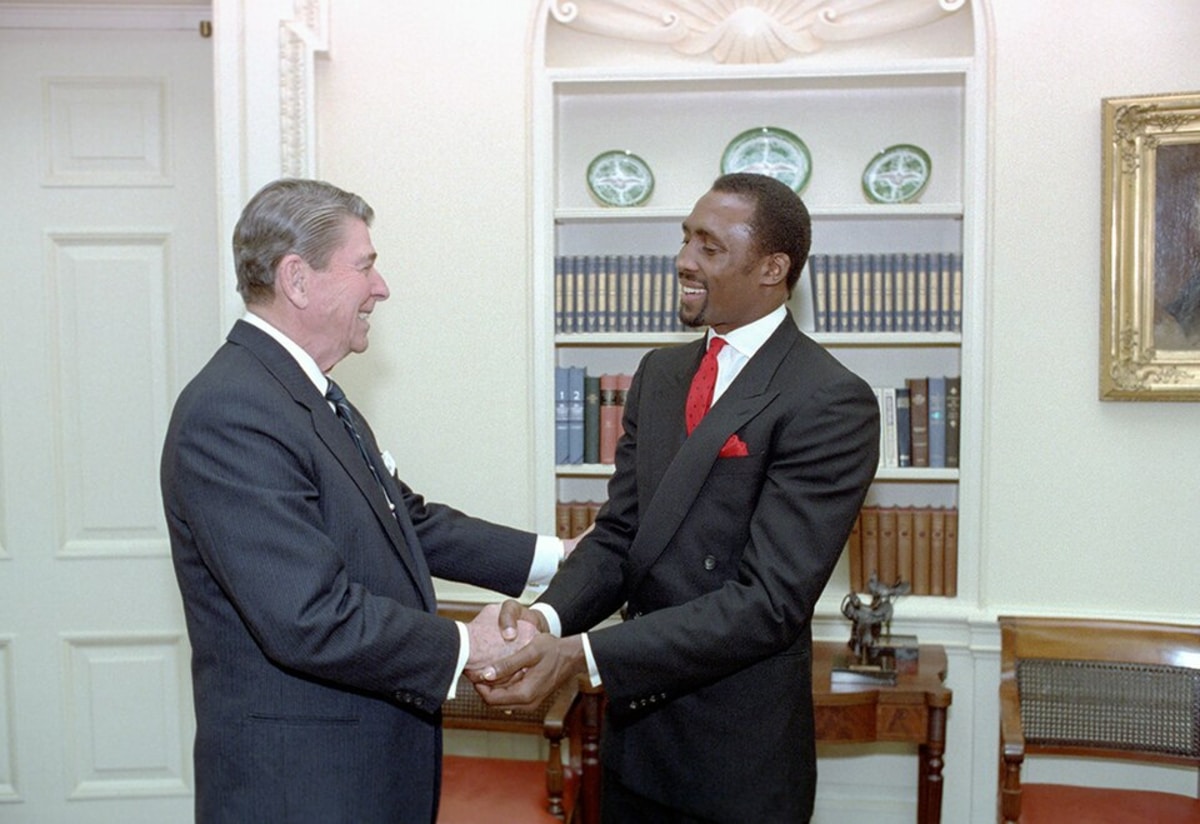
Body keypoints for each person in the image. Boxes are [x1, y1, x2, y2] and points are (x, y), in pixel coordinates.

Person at [475, 172, 881, 823]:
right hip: (634, 742)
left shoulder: (828, 398)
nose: (684, 261)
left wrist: (581, 656)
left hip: (735, 761)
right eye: (686, 238)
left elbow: (767, 604)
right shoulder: (660, 374)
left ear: (773, 267)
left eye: (710, 247)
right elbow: (620, 537)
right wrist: (545, 621)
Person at [160, 178, 561, 823]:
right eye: (365, 265)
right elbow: (309, 617)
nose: (382, 288)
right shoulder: (234, 411)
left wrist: (560, 558)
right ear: (298, 279)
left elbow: (408, 522)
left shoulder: (310, 393)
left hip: (364, 772)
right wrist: (468, 647)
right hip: (302, 788)